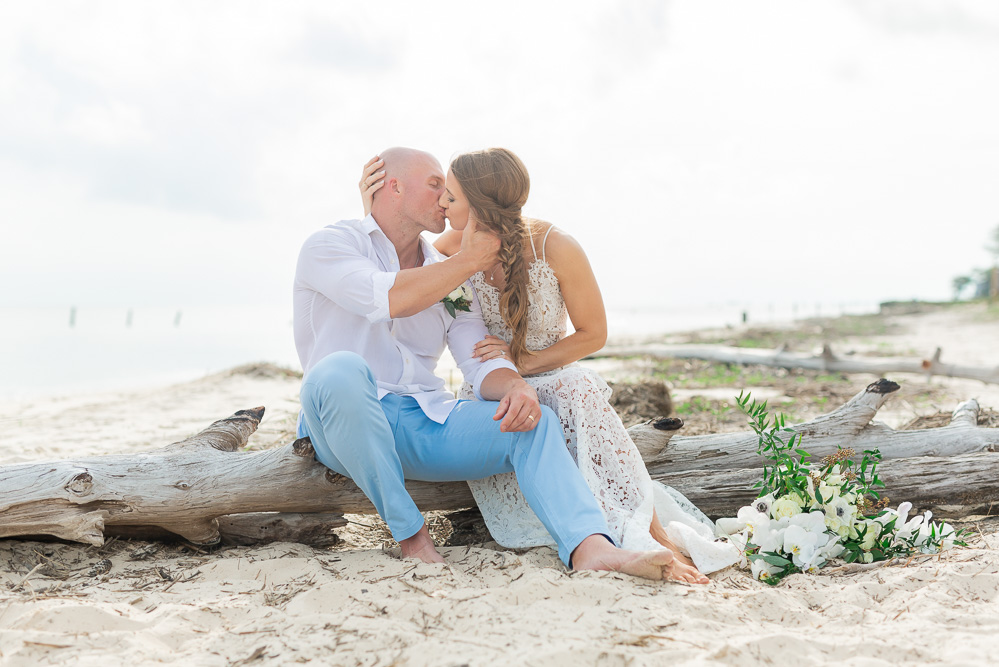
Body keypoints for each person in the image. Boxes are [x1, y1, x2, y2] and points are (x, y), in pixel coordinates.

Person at [294, 146, 700, 582]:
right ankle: (411, 536)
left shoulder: (446, 271)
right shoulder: (331, 245)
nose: (444, 198)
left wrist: (514, 388)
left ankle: (590, 546)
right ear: (393, 186)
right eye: (435, 185)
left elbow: (479, 357)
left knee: (533, 419)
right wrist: (470, 259)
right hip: (341, 421)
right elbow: (387, 297)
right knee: (342, 370)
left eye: (449, 190)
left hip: (423, 420)